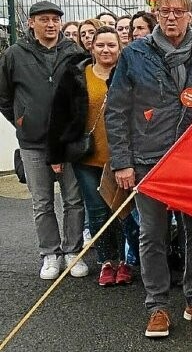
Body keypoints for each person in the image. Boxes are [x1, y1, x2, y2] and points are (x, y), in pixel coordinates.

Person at [106, 0, 192, 339]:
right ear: (156, 16)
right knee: (152, 233)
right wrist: (122, 162)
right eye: (164, 11)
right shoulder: (135, 54)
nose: (171, 17)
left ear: (190, 15)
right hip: (148, 157)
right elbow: (116, 111)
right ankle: (157, 306)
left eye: (179, 11)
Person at [0, 1, 87, 280]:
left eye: (55, 19)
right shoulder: (14, 54)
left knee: (74, 199)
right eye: (44, 19)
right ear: (31, 23)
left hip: (68, 141)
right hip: (33, 143)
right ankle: (50, 253)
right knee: (42, 201)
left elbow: (82, 95)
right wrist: (22, 120)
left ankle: (73, 250)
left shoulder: (74, 52)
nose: (51, 24)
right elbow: (4, 96)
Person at [48, 25, 137, 286]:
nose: (106, 50)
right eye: (101, 45)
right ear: (91, 47)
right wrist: (55, 154)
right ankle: (107, 262)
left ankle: (126, 262)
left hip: (122, 159)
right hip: (87, 157)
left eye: (111, 45)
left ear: (120, 48)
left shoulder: (129, 74)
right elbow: (59, 115)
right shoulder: (76, 75)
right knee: (97, 212)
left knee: (123, 211)